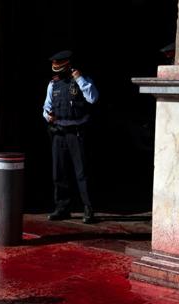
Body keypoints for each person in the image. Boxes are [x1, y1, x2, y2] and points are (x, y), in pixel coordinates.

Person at [42, 50, 99, 223]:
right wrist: (48, 116)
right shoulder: (53, 84)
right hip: (59, 132)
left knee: (81, 172)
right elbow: (46, 106)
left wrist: (80, 78)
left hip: (76, 132)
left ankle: (88, 208)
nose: (57, 71)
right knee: (59, 172)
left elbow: (93, 98)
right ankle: (62, 207)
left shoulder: (83, 80)